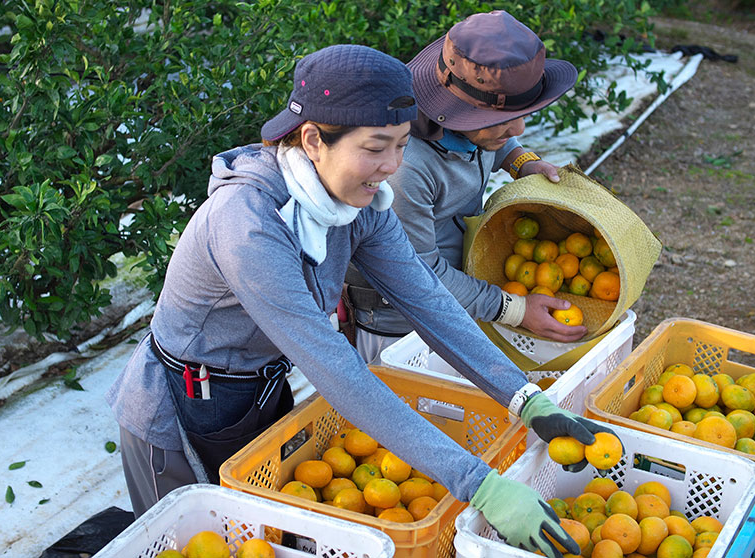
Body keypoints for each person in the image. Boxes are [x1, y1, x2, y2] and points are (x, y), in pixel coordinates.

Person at [106, 43, 619, 558]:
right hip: (181, 408)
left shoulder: (361, 205)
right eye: (375, 148)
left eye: (400, 145)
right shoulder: (248, 225)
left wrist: (525, 399)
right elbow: (334, 368)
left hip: (261, 393)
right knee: (193, 543)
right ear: (312, 140)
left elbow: (428, 300)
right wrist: (479, 485)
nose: (390, 166)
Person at [345, 11, 588, 364]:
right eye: (503, 121)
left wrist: (521, 161)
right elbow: (420, 276)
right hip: (401, 320)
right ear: (457, 111)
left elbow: (492, 140)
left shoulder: (475, 128)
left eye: (523, 114)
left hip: (463, 288)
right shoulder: (404, 169)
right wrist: (517, 310)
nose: (517, 128)